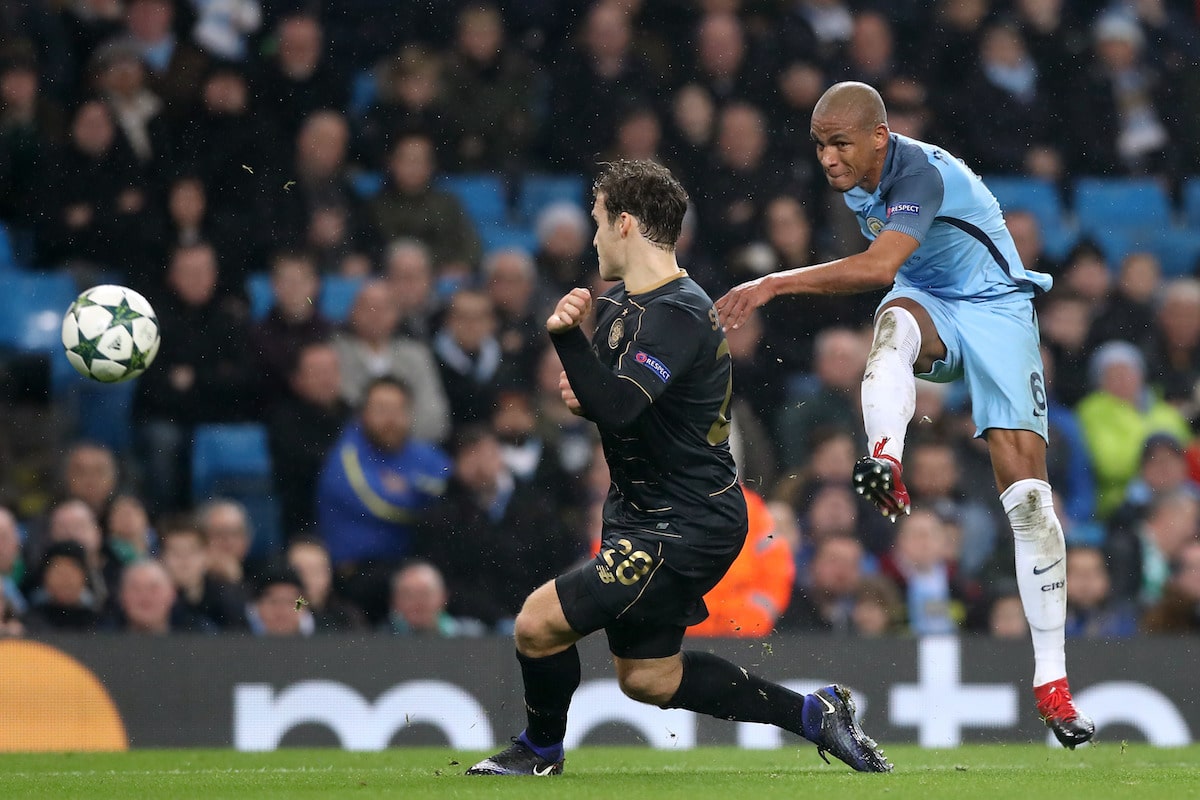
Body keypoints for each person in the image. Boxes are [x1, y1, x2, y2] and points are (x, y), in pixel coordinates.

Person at [467, 160, 890, 777]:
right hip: (642, 512)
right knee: (649, 678)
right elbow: (624, 410)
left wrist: (565, 338)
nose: (592, 238)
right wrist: (589, 392)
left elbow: (618, 402)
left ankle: (539, 752)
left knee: (537, 624)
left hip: (687, 521)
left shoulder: (678, 313)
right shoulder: (620, 307)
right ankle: (813, 713)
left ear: (627, 225)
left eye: (598, 223)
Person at [716, 81, 1093, 748]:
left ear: (879, 138)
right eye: (820, 145)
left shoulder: (917, 170)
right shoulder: (861, 176)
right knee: (890, 328)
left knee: (1029, 502)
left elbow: (878, 261)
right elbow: (898, 273)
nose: (828, 158)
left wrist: (773, 282)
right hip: (930, 298)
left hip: (995, 305)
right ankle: (884, 457)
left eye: (840, 143)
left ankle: (1053, 683)